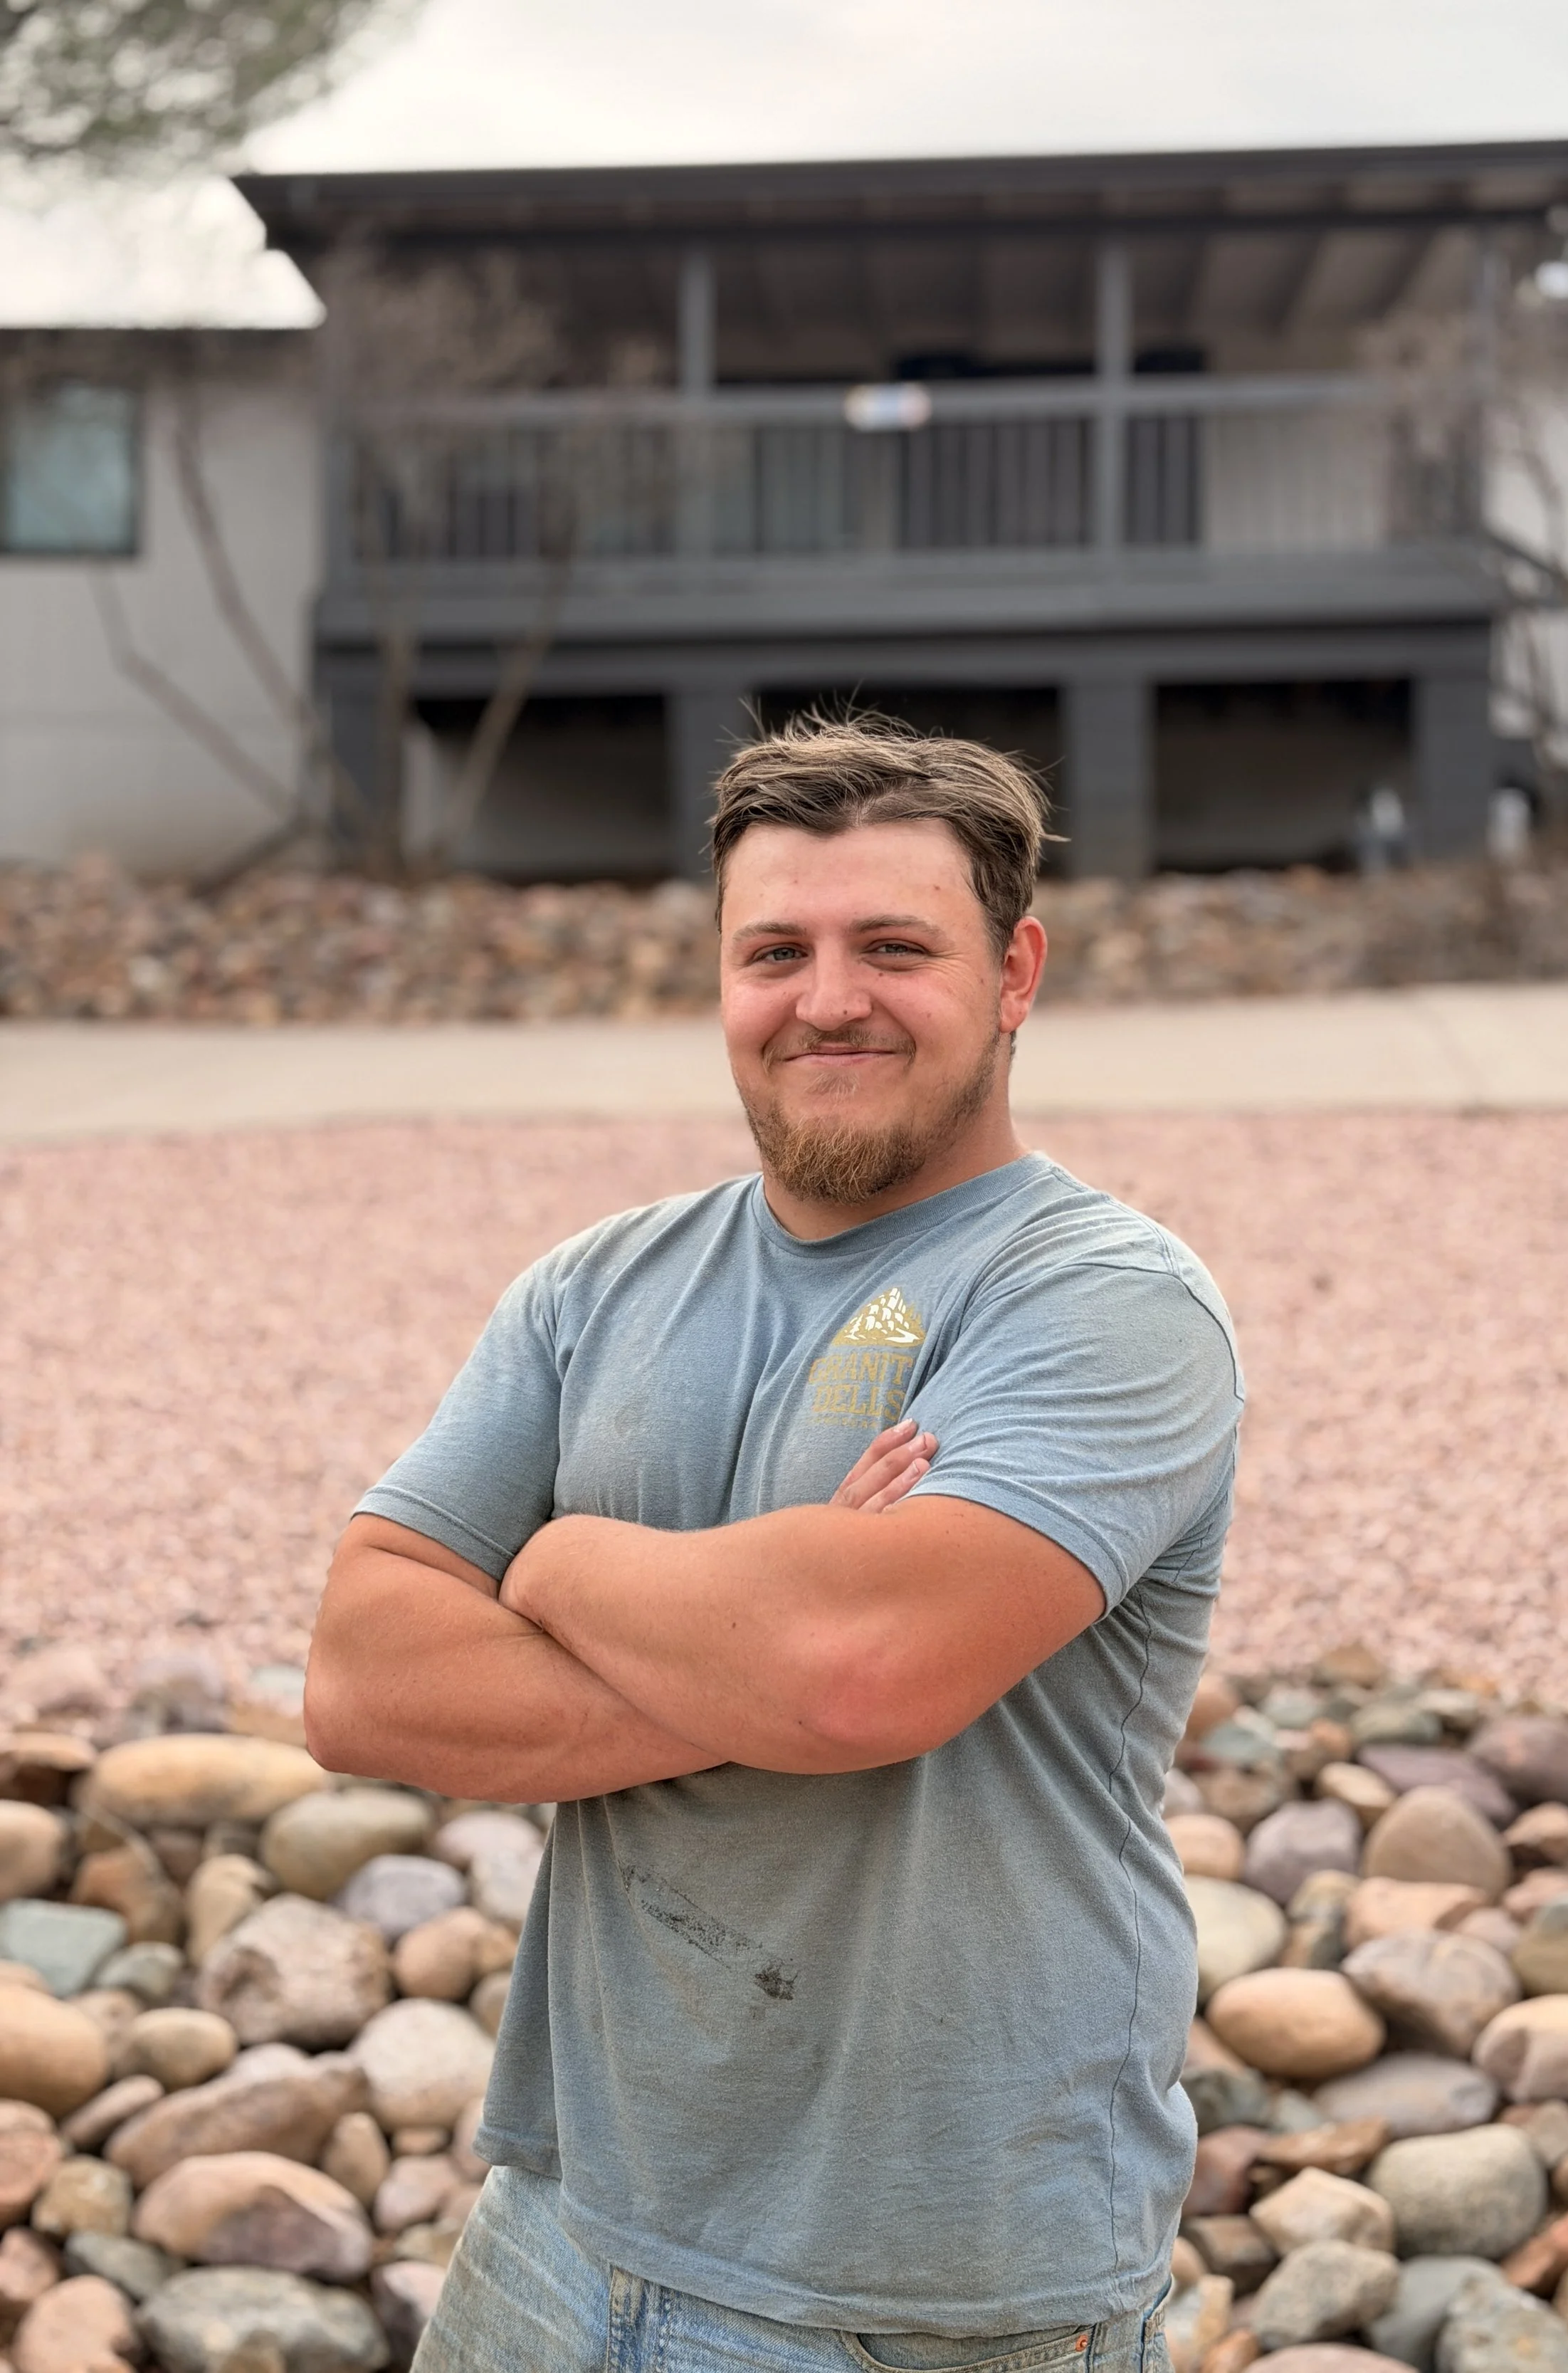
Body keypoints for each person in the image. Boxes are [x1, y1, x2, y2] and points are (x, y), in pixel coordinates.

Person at [305, 717, 1243, 2373]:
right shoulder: (594, 1286)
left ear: (1014, 971)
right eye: (774, 951)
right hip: (563, 2222)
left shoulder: (1099, 1301)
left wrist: (555, 1564)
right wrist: (772, 1623)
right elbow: (363, 1678)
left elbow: (850, 1674)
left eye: (894, 946)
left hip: (922, 2289)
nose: (826, 999)